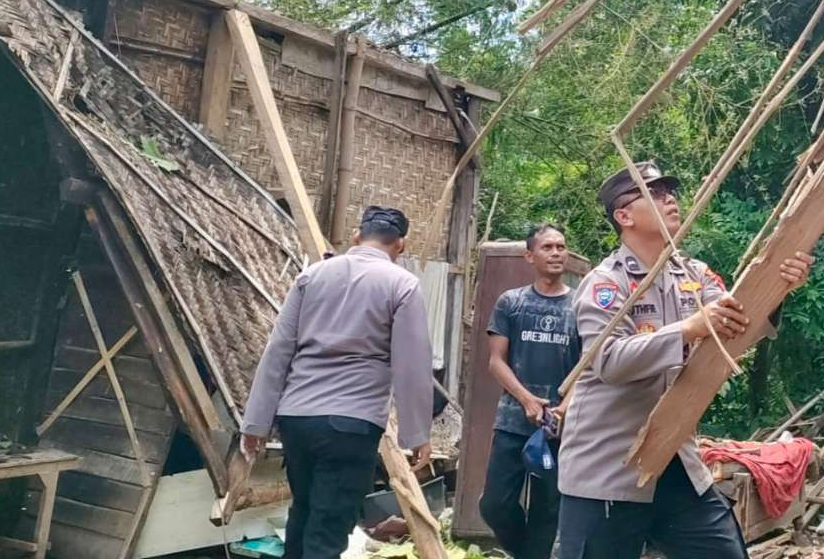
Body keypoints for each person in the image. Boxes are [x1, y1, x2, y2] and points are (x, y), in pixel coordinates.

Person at [555, 161, 814, 559]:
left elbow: (737, 321)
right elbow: (608, 361)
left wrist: (779, 286)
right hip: (608, 469)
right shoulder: (606, 284)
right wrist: (688, 330)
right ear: (623, 216)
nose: (669, 199)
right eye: (654, 194)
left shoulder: (693, 275)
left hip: (676, 463)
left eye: (669, 191)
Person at [240, 206, 434, 559]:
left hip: (296, 419)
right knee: (327, 530)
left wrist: (256, 421)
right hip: (352, 424)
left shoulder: (312, 276)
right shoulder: (402, 285)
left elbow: (278, 350)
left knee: (302, 514)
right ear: (401, 245)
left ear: (358, 236)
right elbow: (412, 365)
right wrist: (416, 433)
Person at [479, 224, 582, 559]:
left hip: (556, 431)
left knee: (547, 512)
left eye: (561, 247)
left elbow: (589, 368)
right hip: (512, 423)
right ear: (529, 255)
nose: (556, 253)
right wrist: (525, 399)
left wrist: (563, 410)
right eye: (548, 247)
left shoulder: (579, 306)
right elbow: (496, 361)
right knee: (494, 505)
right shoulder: (512, 302)